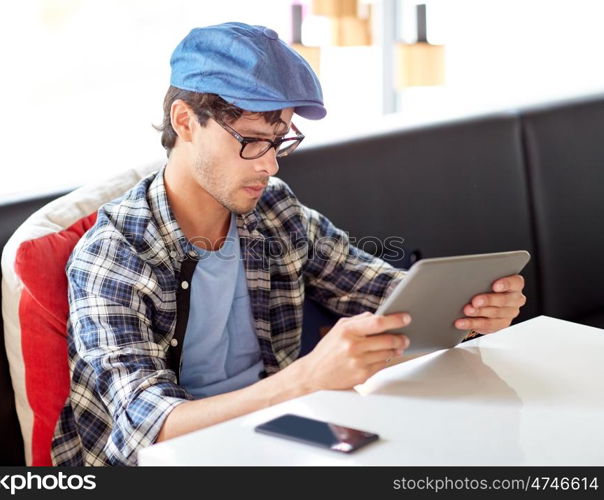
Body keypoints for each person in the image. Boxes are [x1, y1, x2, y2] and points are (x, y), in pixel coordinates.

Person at [51, 22, 527, 466]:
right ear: (185, 121)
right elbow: (145, 428)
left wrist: (470, 310)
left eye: (279, 141)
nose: (270, 165)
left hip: (274, 433)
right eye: (253, 141)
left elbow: (382, 291)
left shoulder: (274, 212)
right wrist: (305, 380)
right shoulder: (115, 253)